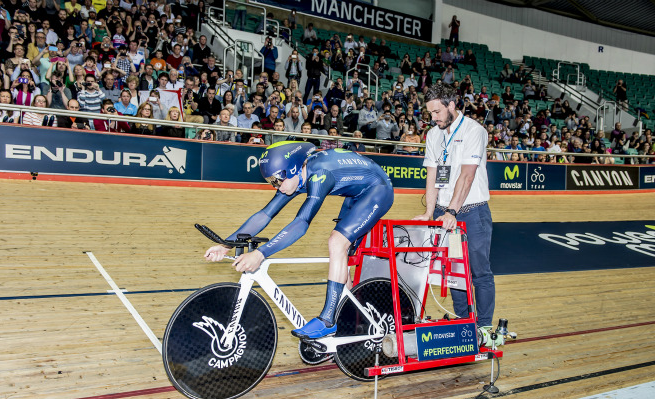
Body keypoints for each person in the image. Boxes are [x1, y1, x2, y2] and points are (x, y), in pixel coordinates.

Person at [203, 141, 394, 339]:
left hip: (378, 190)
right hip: (356, 193)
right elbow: (265, 214)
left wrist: (260, 254)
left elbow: (301, 223)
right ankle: (352, 319)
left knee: (337, 242)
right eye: (271, 181)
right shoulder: (293, 177)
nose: (275, 186)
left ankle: (327, 321)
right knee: (341, 253)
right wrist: (225, 245)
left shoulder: (320, 175)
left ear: (293, 169)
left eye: (277, 180)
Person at [412, 83, 494, 329]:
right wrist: (429, 211)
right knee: (455, 272)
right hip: (447, 214)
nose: (433, 118)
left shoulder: (473, 131)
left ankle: (484, 328)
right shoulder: (434, 134)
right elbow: (433, 174)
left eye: (437, 112)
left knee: (479, 272)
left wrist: (451, 212)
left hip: (471, 213)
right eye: (430, 113)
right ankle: (463, 322)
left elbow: (467, 176)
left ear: (451, 105)